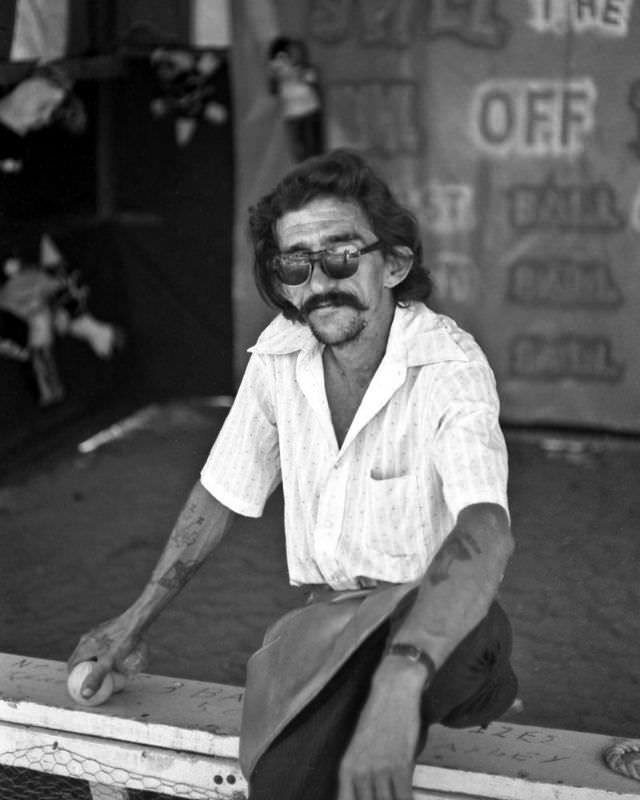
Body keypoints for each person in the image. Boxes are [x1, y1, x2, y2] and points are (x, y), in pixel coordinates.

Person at [68, 149, 518, 800]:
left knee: (465, 654)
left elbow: (485, 530)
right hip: (334, 622)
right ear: (280, 282)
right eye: (296, 264)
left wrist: (398, 681)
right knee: (287, 776)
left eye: (340, 256)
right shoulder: (280, 356)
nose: (320, 281)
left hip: (437, 620)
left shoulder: (450, 365)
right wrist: (130, 624)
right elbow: (219, 495)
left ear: (393, 264)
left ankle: (451, 688)